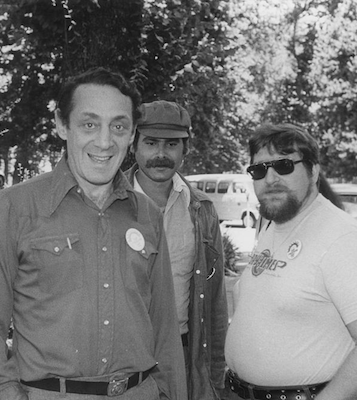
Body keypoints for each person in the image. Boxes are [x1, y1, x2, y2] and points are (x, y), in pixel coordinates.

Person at [0, 68, 186, 400]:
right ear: (62, 125)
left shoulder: (147, 216)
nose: (104, 141)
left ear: (131, 135)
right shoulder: (13, 208)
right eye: (89, 124)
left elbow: (165, 331)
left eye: (118, 126)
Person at [224, 123, 357, 400]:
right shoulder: (275, 225)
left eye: (283, 165)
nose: (270, 179)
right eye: (259, 169)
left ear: (313, 170)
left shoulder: (340, 236)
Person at [125, 100, 228, 400]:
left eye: (172, 144)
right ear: (134, 146)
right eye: (151, 143)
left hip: (185, 357)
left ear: (185, 150)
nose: (160, 154)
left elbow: (216, 301)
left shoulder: (201, 211)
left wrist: (214, 377)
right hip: (124, 361)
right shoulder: (108, 206)